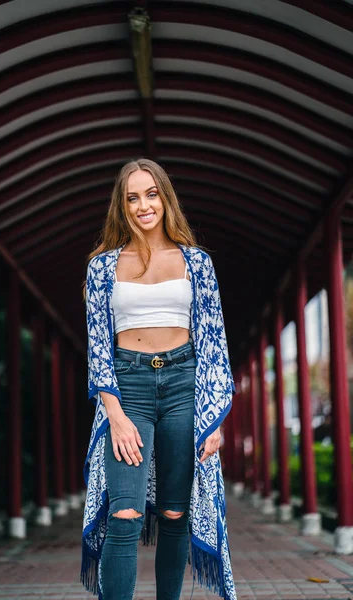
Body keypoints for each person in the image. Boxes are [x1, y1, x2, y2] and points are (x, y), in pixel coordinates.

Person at [80, 158, 237, 600]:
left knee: (174, 514)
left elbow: (214, 342)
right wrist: (114, 413)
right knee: (124, 513)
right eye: (132, 197)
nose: (143, 205)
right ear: (122, 206)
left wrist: (215, 419)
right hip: (126, 387)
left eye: (151, 194)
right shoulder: (102, 267)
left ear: (165, 199)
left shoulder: (197, 263)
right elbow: (98, 346)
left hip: (185, 384)